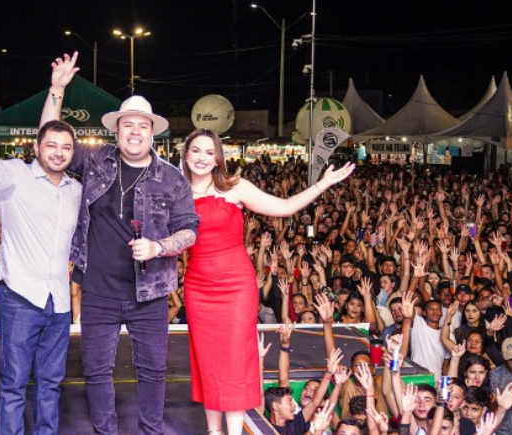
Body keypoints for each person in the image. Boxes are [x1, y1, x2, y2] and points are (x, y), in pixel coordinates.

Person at [40, 53, 199, 435]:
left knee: (153, 371)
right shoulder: (95, 161)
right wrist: (57, 89)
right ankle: (105, 431)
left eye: (142, 126)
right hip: (97, 290)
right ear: (117, 130)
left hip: (151, 294)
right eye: (128, 125)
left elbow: (190, 228)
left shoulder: (172, 178)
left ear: (152, 132)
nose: (134, 132)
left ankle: (150, 429)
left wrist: (160, 247)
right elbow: (50, 139)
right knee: (96, 371)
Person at [180, 128, 354, 435]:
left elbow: (285, 207)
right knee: (206, 356)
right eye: (196, 151)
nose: (202, 158)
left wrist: (323, 184)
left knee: (233, 358)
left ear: (219, 157)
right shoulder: (175, 191)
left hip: (235, 285)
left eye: (210, 152)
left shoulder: (235, 187)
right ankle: (213, 431)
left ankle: (233, 431)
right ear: (185, 154)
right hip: (197, 286)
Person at [0, 65, 82, 435]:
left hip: (58, 303)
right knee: (13, 386)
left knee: (50, 386)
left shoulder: (76, 190)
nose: (58, 153)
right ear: (36, 149)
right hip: (19, 298)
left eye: (66, 147)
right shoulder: (13, 176)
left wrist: (58, 90)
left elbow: (50, 129)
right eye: (51, 146)